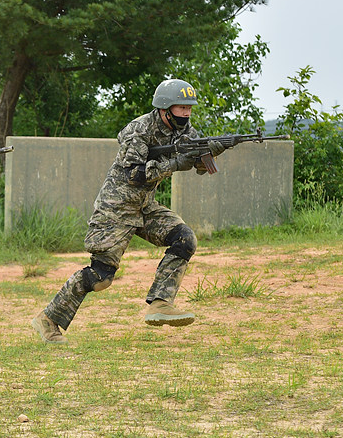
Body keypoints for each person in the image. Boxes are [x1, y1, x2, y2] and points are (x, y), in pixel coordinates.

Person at [31, 79, 226, 344]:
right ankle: (48, 319)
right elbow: (135, 174)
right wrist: (176, 163)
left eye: (189, 108)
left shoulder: (185, 130)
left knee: (184, 239)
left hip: (144, 206)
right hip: (116, 209)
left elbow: (198, 166)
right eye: (182, 108)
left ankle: (160, 304)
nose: (187, 113)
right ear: (165, 108)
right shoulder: (139, 130)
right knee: (100, 277)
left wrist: (210, 152)